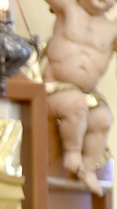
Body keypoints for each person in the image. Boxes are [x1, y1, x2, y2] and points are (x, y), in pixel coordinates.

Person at [43, 0, 117, 196]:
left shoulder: (112, 29)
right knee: (75, 104)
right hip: (55, 88)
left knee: (103, 118)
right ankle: (72, 150)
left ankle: (88, 168)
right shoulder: (69, 8)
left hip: (88, 94)